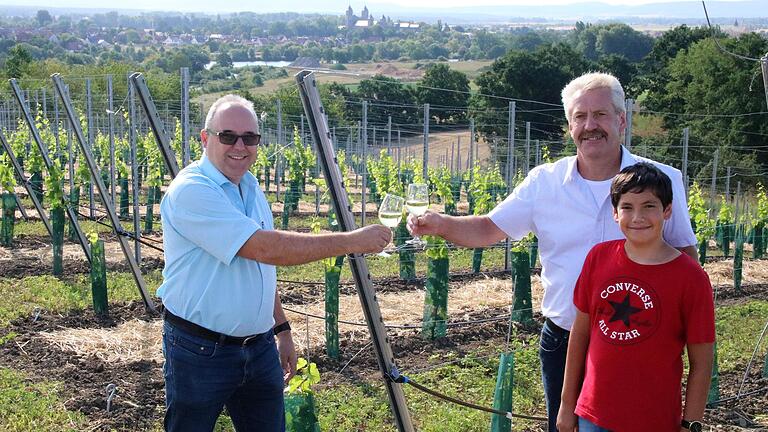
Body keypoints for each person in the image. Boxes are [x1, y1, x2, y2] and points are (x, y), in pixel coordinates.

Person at [407, 72, 698, 431]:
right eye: (580, 116)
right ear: (569, 125)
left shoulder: (662, 180)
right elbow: (487, 228)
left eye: (601, 115)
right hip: (564, 339)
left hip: (639, 341)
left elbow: (685, 257)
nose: (590, 125)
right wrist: (439, 222)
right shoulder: (544, 183)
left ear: (621, 120)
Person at [157, 94, 391, 432]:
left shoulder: (250, 187)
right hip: (200, 351)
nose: (240, 145)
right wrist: (352, 241)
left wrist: (281, 329)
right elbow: (265, 249)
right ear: (205, 138)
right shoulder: (192, 190)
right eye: (228, 136)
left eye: (250, 138)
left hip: (259, 347)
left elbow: (261, 269)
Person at [556, 162, 715, 432]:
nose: (638, 217)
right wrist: (566, 403)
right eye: (627, 207)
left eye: (649, 206)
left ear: (667, 210)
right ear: (615, 214)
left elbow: (702, 362)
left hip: (655, 419)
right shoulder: (598, 258)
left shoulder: (691, 277)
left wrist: (691, 423)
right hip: (593, 416)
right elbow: (580, 334)